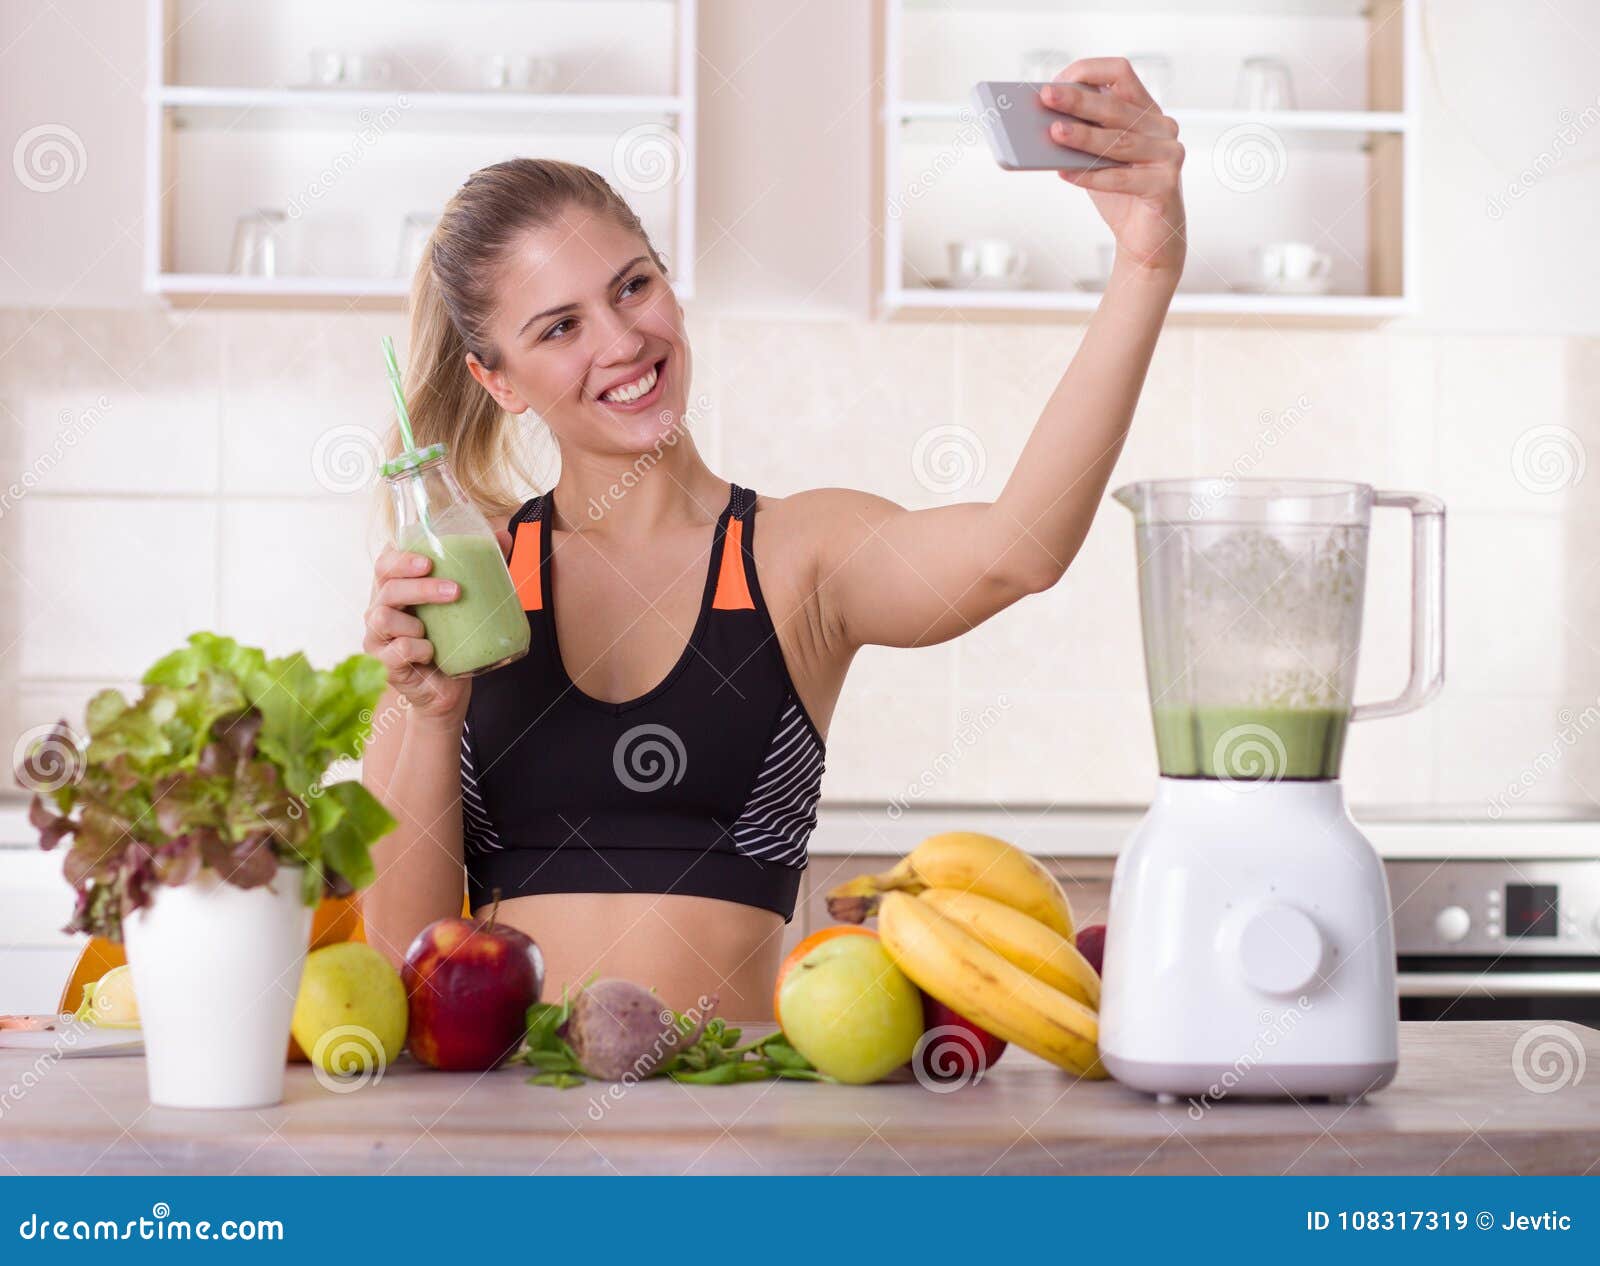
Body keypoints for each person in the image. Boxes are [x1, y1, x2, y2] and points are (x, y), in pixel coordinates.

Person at [362, 59, 1186, 1016]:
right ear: (498, 380)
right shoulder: (466, 586)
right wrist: (428, 711)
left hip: (737, 1124)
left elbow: (1019, 550)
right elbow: (400, 953)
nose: (622, 342)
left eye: (633, 286)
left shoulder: (800, 557)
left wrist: (1146, 264)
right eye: (559, 328)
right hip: (513, 1126)